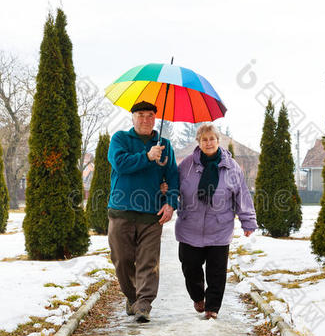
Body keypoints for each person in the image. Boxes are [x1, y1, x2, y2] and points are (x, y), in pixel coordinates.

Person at [175, 123, 257, 319]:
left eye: (212, 139)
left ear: (219, 141)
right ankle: (197, 297)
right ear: (199, 142)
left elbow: (241, 195)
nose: (209, 142)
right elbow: (172, 187)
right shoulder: (186, 165)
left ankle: (212, 309)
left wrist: (248, 222)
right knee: (190, 267)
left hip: (219, 228)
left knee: (217, 273)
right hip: (190, 228)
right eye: (204, 139)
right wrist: (164, 192)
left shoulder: (231, 168)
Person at [107, 101, 179, 323]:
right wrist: (147, 156)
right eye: (140, 115)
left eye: (150, 115)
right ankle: (132, 297)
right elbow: (120, 164)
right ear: (132, 117)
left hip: (151, 214)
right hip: (121, 211)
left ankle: (144, 304)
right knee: (122, 260)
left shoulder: (165, 145)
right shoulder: (120, 139)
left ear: (155, 119)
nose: (145, 119)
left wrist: (171, 202)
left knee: (148, 262)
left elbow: (173, 177)